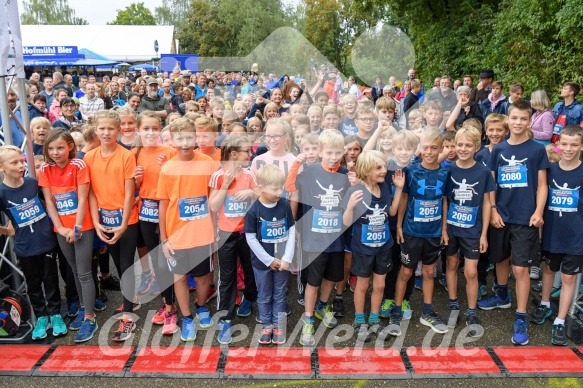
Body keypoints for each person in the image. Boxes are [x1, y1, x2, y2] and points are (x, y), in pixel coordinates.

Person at [480, 100, 551, 346]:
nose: (519, 122)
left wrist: (539, 210)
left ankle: (520, 316)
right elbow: (491, 185)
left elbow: (543, 185)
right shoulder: (498, 150)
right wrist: (493, 210)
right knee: (500, 259)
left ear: (530, 121)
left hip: (526, 218)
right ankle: (502, 294)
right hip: (501, 215)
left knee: (520, 268)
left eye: (524, 118)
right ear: (507, 120)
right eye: (515, 118)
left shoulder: (537, 150)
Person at [286, 130, 349, 345]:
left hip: (336, 238)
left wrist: (357, 181)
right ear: (320, 152)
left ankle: (323, 306)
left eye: (337, 152)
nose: (333, 157)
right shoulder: (310, 171)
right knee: (313, 282)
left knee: (331, 278)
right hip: (314, 239)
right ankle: (309, 318)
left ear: (344, 152)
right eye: (329, 152)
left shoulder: (345, 173)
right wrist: (296, 164)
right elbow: (289, 186)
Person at [157, 117, 216, 342]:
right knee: (180, 278)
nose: (185, 142)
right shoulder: (168, 168)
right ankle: (187, 316)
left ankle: (201, 306)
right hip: (176, 235)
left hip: (203, 234)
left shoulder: (208, 163)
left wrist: (215, 229)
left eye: (189, 137)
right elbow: (163, 204)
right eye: (179, 138)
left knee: (202, 278)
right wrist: (164, 238)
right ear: (172, 141)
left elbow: (213, 198)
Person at [389, 129, 452, 337]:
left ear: (441, 149)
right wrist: (399, 226)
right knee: (406, 272)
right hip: (411, 232)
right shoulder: (411, 171)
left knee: (428, 272)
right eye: (425, 147)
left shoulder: (445, 172)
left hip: (433, 233)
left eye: (434, 148)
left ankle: (427, 311)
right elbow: (405, 199)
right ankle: (396, 312)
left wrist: (443, 228)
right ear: (420, 149)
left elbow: (444, 200)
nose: (429, 151)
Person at [85, 110, 140, 342]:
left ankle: (128, 316)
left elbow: (129, 194)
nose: (106, 132)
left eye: (111, 128)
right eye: (102, 128)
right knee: (117, 263)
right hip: (104, 219)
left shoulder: (126, 156)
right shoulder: (89, 157)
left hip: (127, 219)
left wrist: (124, 224)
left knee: (127, 265)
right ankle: (132, 300)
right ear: (95, 130)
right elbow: (91, 193)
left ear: (119, 131)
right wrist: (97, 222)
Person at [38, 129, 98, 343]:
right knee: (73, 271)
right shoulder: (45, 168)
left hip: (82, 227)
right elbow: (49, 202)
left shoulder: (79, 165)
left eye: (60, 147)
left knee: (83, 273)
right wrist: (60, 228)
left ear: (70, 146)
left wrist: (77, 227)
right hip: (61, 229)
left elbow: (83, 199)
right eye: (51, 148)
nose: (56, 152)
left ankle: (90, 318)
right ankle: (83, 307)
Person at [0, 145, 64, 340]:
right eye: (14, 162)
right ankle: (41, 317)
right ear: (2, 167)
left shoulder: (32, 183)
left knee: (51, 279)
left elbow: (51, 204)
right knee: (33, 283)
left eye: (22, 161)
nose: (21, 165)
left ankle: (56, 315)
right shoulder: (2, 192)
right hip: (24, 246)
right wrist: (7, 230)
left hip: (46, 240)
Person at [342, 150, 404, 341]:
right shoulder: (356, 191)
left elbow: (392, 212)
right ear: (366, 170)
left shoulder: (384, 187)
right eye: (378, 167)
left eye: (384, 166)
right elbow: (345, 222)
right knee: (362, 285)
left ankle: (375, 320)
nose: (384, 170)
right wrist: (350, 206)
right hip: (363, 248)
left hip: (384, 246)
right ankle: (359, 321)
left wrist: (399, 189)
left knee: (380, 285)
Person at [533, 125, 583, 346]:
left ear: (581, 146)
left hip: (575, 235)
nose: (569, 148)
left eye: (574, 144)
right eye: (565, 144)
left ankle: (560, 320)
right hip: (552, 232)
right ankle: (544, 304)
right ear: (558, 145)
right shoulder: (550, 171)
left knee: (569, 277)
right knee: (550, 269)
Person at [443, 126, 495, 338]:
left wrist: (483, 234)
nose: (463, 149)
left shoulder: (483, 172)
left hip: (473, 230)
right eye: (460, 144)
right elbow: (445, 200)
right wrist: (444, 228)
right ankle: (454, 305)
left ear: (477, 146)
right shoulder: (448, 170)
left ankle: (471, 311)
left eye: (468, 145)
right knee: (451, 264)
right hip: (452, 228)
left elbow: (486, 203)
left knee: (471, 272)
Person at [210, 136, 259, 344]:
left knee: (251, 270)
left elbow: (260, 194)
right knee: (227, 277)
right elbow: (213, 206)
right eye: (247, 151)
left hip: (247, 233)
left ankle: (249, 299)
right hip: (225, 235)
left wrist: (250, 192)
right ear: (233, 154)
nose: (250, 155)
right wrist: (225, 186)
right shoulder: (218, 176)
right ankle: (225, 319)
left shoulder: (249, 175)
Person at [133, 111, 178, 335]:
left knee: (166, 261)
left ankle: (171, 308)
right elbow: (131, 189)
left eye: (154, 128)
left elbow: (179, 183)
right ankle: (167, 302)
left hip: (168, 211)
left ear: (160, 130)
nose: (150, 132)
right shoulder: (134, 153)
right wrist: (136, 180)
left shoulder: (170, 152)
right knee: (156, 260)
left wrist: (166, 169)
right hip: (145, 213)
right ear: (138, 130)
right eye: (146, 129)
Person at [245, 164, 295, 345]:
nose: (279, 191)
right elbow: (251, 239)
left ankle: (278, 326)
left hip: (282, 262)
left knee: (280, 294)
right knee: (264, 295)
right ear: (260, 189)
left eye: (281, 187)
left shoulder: (284, 206)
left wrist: (287, 258)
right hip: (262, 264)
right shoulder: (253, 211)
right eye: (274, 188)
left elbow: (291, 232)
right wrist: (268, 260)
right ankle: (267, 325)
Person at [380, 130, 419, 320]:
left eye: (408, 148)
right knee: (391, 263)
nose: (404, 152)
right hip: (390, 223)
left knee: (408, 263)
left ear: (415, 150)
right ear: (393, 149)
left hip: (411, 225)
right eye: (400, 148)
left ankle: (405, 298)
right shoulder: (385, 170)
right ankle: (388, 297)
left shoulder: (417, 170)